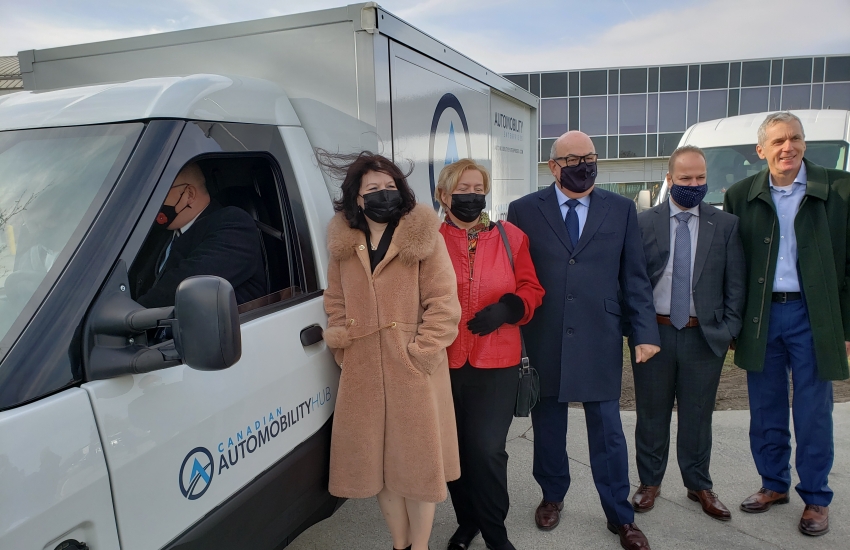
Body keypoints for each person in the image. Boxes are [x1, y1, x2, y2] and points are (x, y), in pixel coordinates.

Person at [507, 131, 660, 550]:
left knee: (608, 431)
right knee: (548, 425)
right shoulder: (523, 210)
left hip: (599, 335)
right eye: (573, 159)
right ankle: (552, 495)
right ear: (553, 166)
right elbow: (516, 276)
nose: (583, 165)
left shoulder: (621, 209)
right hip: (545, 334)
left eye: (589, 157)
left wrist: (645, 333)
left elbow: (635, 277)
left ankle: (620, 516)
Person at [321, 151, 462, 550]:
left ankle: (420, 546)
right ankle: (399, 544)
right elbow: (335, 300)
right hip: (363, 370)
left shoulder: (423, 237)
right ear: (357, 196)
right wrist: (344, 348)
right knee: (379, 468)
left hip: (413, 371)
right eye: (373, 188)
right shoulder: (344, 243)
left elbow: (444, 304)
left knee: (416, 468)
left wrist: (421, 354)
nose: (383, 193)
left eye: (390, 186)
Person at [724, 111, 850, 537]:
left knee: (814, 411)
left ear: (805, 143)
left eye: (794, 138)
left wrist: (846, 328)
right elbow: (732, 265)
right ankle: (773, 484)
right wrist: (734, 322)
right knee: (765, 407)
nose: (787, 147)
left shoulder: (839, 188)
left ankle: (815, 496)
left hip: (814, 315)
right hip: (762, 316)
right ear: (761, 150)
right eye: (777, 141)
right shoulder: (740, 195)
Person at [632, 145, 745, 521]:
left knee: (698, 415)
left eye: (700, 178)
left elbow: (736, 284)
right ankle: (649, 482)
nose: (693, 184)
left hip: (703, 337)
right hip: (655, 335)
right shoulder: (643, 223)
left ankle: (698, 484)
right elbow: (631, 281)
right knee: (651, 413)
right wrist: (636, 331)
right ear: (669, 179)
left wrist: (728, 330)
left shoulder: (725, 224)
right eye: (685, 178)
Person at [436, 159, 545, 550]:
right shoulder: (429, 240)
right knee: (454, 451)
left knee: (486, 450)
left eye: (477, 189)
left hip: (497, 361)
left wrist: (509, 308)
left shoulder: (510, 236)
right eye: (462, 189)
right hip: (443, 362)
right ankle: (468, 523)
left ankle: (496, 534)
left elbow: (533, 289)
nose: (471, 196)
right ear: (443, 195)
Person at [135, 162, 266, 307]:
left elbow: (184, 286)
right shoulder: (161, 234)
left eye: (159, 192)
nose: (153, 201)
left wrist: (133, 314)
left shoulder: (234, 224)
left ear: (189, 194)